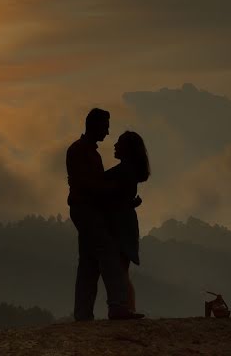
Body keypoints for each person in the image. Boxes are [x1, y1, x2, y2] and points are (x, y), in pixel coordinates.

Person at [66, 108, 144, 320]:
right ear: (94, 125)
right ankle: (118, 306)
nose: (108, 132)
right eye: (106, 127)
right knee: (108, 252)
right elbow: (88, 186)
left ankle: (83, 313)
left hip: (89, 211)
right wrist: (114, 190)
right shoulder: (79, 151)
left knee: (89, 262)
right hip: (85, 210)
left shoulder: (90, 153)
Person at [104, 131, 151, 313]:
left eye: (119, 143)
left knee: (119, 267)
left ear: (127, 149)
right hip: (127, 223)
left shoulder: (123, 170)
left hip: (121, 224)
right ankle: (127, 307)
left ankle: (123, 308)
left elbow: (101, 183)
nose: (115, 145)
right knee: (122, 268)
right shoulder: (130, 171)